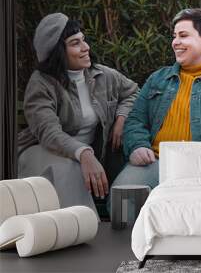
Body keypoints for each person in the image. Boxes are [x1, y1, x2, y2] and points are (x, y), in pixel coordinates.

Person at [112, 8, 201, 199]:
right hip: (156, 161)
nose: (175, 42)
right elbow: (135, 119)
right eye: (174, 36)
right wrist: (138, 146)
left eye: (183, 35)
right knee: (123, 203)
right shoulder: (158, 79)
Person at [18, 13, 140, 217]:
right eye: (75, 43)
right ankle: (83, 227)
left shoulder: (102, 75)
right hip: (43, 152)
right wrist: (83, 153)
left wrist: (122, 117)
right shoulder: (41, 83)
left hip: (89, 156)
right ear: (58, 52)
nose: (86, 47)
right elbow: (48, 133)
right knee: (70, 168)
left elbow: (134, 92)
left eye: (84, 40)